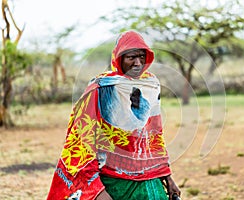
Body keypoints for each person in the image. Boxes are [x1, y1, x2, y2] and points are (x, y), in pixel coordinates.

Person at [47, 30, 181, 200]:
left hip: (148, 180)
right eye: (131, 57)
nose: (138, 63)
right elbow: (81, 140)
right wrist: (96, 190)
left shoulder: (150, 86)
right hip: (112, 180)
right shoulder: (101, 89)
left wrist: (167, 177)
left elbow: (153, 136)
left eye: (141, 56)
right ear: (118, 59)